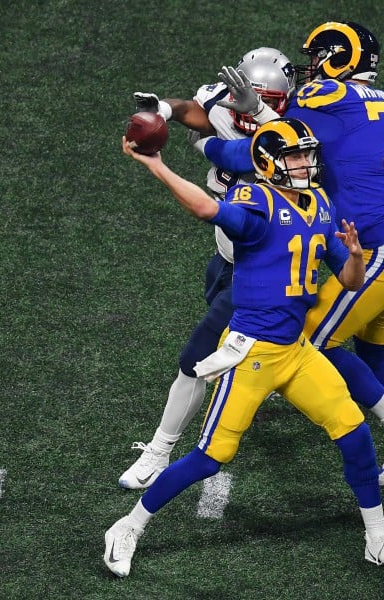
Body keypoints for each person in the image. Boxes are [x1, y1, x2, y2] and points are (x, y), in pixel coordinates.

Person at [105, 118, 384, 578]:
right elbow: (205, 210)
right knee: (210, 458)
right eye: (295, 156)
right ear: (268, 162)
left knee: (354, 433)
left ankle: (378, 540)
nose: (306, 163)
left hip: (295, 350)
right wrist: (156, 165)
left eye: (307, 155)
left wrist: (355, 256)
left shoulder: (318, 204)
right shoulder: (255, 199)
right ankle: (128, 526)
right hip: (252, 354)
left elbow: (348, 281)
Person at [197, 21, 384, 493]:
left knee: (307, 338)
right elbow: (304, 139)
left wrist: (204, 142)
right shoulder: (381, 100)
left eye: (317, 57)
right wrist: (266, 118)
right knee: (375, 349)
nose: (310, 69)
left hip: (383, 246)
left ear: (338, 58)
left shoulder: (324, 95)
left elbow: (256, 153)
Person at [118, 48, 297, 489]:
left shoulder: (293, 135)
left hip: (263, 271)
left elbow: (240, 158)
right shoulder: (225, 105)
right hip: (227, 257)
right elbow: (193, 111)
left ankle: (160, 450)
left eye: (266, 101)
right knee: (255, 347)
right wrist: (161, 109)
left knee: (195, 359)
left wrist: (204, 145)